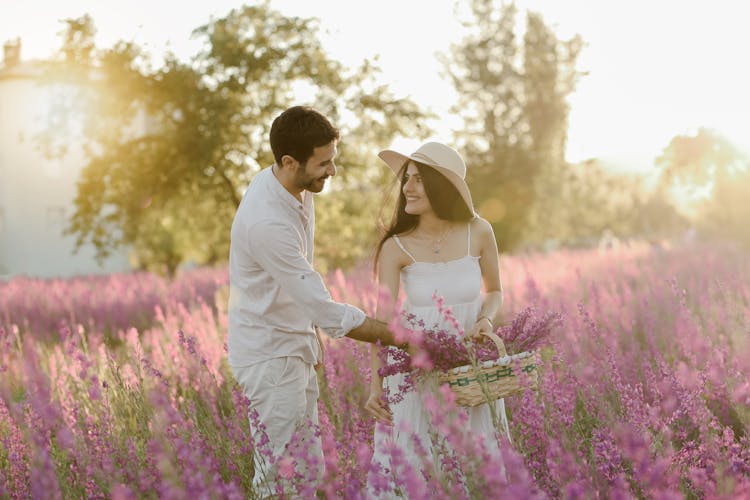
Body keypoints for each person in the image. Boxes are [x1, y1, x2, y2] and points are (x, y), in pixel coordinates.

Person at [228, 106, 408, 490]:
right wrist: (397, 336)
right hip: (271, 357)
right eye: (324, 163)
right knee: (281, 479)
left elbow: (298, 291)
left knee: (308, 472)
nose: (333, 171)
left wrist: (309, 340)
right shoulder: (267, 222)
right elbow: (323, 308)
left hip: (292, 347)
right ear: (290, 162)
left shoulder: (290, 186)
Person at [366, 141, 510, 488]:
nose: (407, 187)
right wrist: (376, 386)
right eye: (407, 179)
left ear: (441, 187)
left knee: (476, 469)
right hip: (417, 376)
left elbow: (494, 291)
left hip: (471, 369)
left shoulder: (478, 231)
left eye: (418, 179)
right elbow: (382, 323)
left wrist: (486, 319)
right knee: (422, 469)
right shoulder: (395, 246)